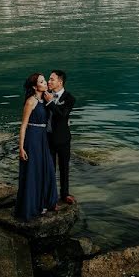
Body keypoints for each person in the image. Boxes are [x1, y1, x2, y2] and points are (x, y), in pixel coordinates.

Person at [14, 72, 58, 221]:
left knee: (46, 170)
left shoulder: (44, 99)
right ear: (34, 86)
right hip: (32, 138)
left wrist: (50, 100)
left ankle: (43, 203)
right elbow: (23, 126)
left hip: (42, 138)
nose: (45, 83)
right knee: (33, 173)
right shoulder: (31, 101)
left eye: (45, 80)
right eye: (41, 81)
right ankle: (31, 207)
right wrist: (21, 148)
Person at [43, 69, 77, 204]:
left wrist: (51, 102)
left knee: (64, 167)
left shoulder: (70, 98)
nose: (48, 81)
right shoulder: (45, 95)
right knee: (50, 168)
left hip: (63, 139)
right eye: (48, 79)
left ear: (60, 82)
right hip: (47, 137)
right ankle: (50, 196)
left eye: (52, 79)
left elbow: (62, 116)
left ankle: (65, 194)